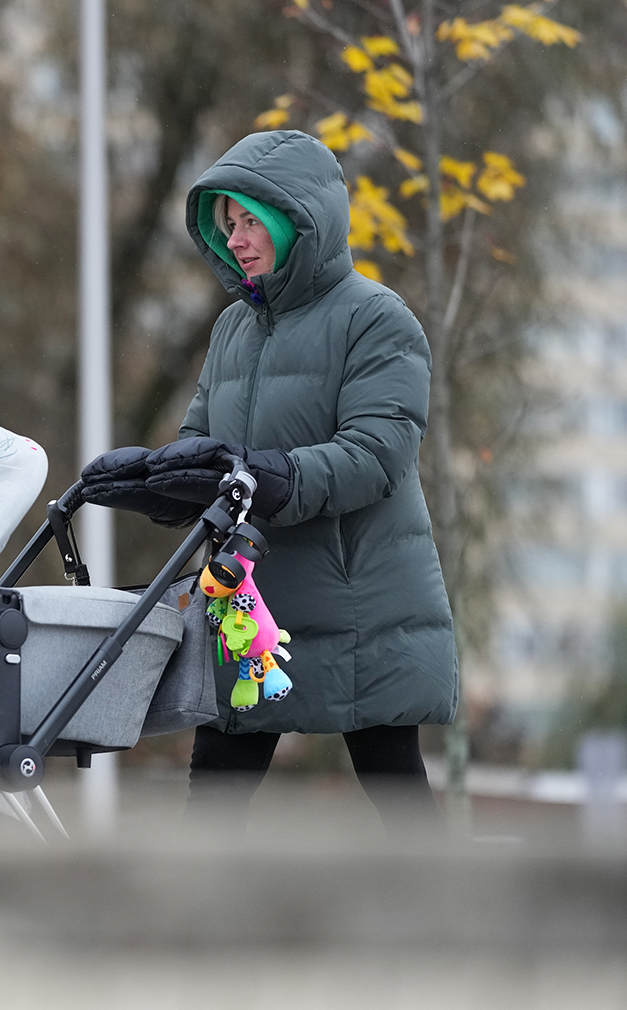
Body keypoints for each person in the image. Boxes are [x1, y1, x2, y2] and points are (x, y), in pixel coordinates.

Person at [142, 130, 457, 835]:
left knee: (393, 781)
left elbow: (378, 454)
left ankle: (455, 928)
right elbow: (202, 440)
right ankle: (191, 936)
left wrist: (277, 476)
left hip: (357, 603)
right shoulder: (233, 329)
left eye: (252, 220)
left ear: (298, 219)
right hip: (252, 600)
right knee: (215, 790)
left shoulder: (376, 319)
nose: (239, 239)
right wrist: (162, 478)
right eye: (228, 225)